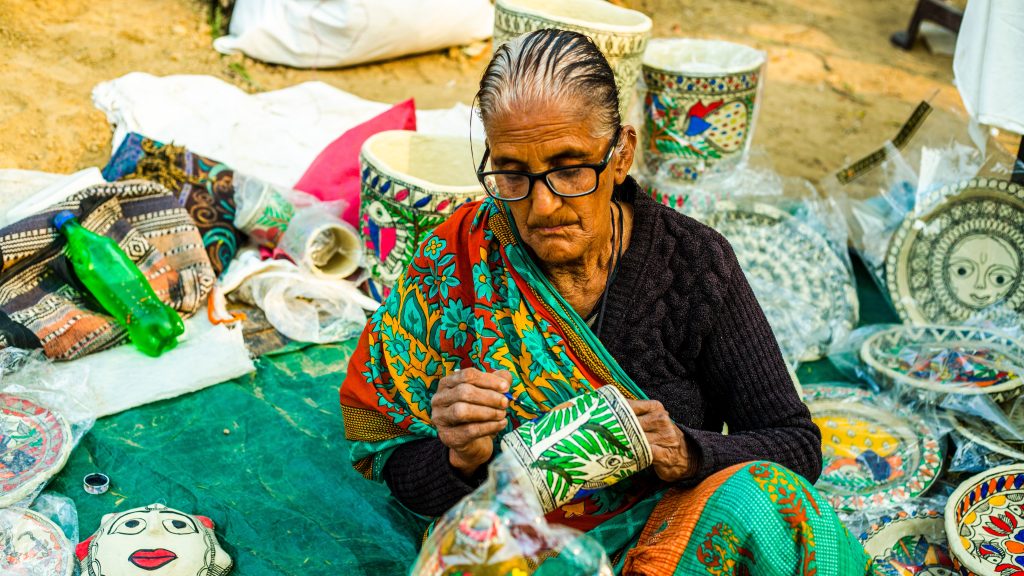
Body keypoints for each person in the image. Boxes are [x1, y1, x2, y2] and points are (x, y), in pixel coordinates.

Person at [341, 28, 870, 575]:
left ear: (621, 156)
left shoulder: (693, 264)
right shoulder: (456, 263)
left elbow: (796, 444)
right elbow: (388, 451)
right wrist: (460, 459)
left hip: (671, 545)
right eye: (512, 174)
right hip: (527, 555)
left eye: (569, 169)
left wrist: (687, 452)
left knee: (763, 500)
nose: (542, 206)